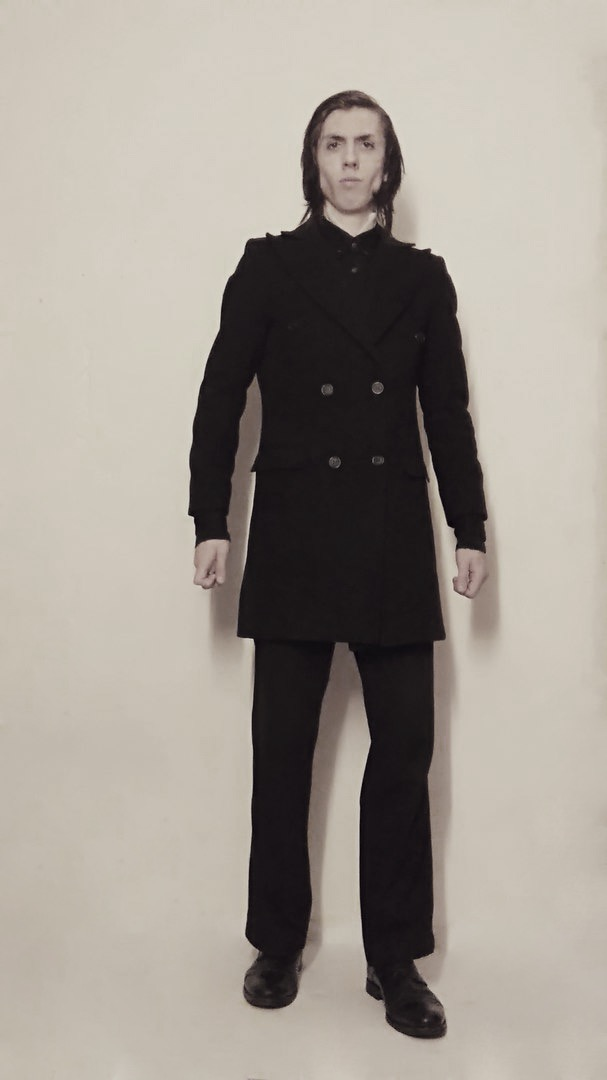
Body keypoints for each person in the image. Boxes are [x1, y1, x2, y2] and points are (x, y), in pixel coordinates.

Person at [188, 89, 488, 1039]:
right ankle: (276, 942)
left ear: (387, 164)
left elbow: (446, 412)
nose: (350, 159)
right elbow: (219, 396)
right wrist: (210, 518)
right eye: (333, 144)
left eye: (366, 144)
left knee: (404, 753)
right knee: (281, 750)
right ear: (312, 161)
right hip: (295, 532)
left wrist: (469, 527)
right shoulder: (268, 266)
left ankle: (394, 960)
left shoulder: (423, 279)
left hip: (392, 532)